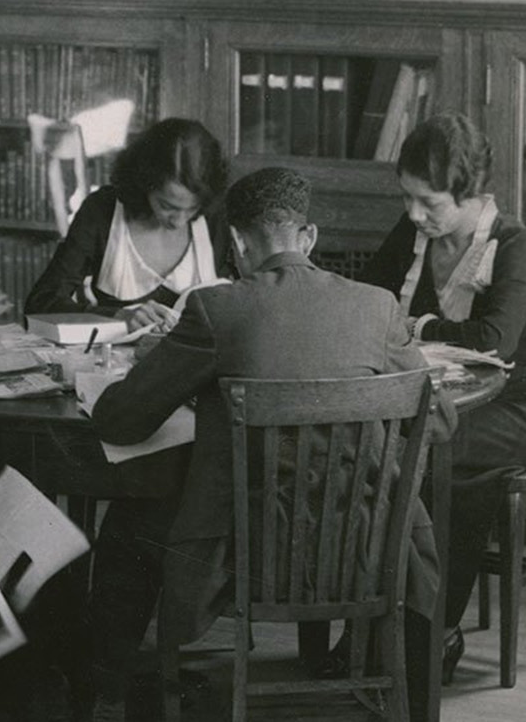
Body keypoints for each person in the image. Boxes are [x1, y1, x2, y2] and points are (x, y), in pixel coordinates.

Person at [84, 167, 438, 721]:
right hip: (366, 548)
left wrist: (152, 363)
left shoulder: (214, 310)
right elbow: (436, 424)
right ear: (310, 237)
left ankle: (100, 694)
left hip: (248, 556)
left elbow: (121, 423)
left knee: (128, 525)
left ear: (237, 243)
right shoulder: (378, 307)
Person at [358, 114, 526, 679]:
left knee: (434, 452)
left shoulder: (517, 246)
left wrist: (416, 326)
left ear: (470, 194)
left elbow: (495, 340)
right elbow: (369, 295)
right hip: (445, 402)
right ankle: (383, 624)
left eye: (429, 203)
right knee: (398, 447)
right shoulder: (417, 231)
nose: (415, 214)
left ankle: (425, 631)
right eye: (408, 198)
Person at [25, 118, 229, 334]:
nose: (179, 221)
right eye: (167, 205)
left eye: (191, 209)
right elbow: (40, 305)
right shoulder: (102, 211)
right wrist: (118, 317)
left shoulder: (214, 219)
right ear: (144, 183)